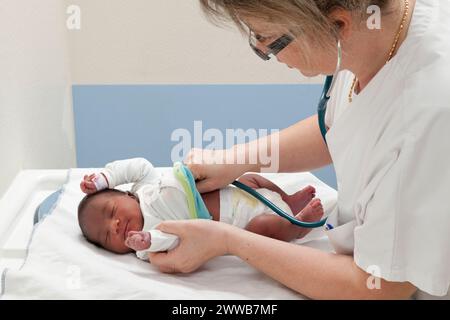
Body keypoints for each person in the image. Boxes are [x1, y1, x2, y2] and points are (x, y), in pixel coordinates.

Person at [148, 0, 450, 299]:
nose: (265, 52)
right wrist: (235, 161)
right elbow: (341, 126)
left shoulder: (424, 117)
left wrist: (229, 241)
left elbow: (379, 287)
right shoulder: (375, 31)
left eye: (272, 42)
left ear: (338, 25)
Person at [77, 158, 323, 259]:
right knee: (261, 228)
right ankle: (295, 228)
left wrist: (104, 178)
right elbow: (171, 239)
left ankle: (287, 200)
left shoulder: (145, 186)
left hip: (237, 191)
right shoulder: (146, 239)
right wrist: (148, 241)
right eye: (107, 236)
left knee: (251, 178)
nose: (115, 225)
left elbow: (139, 166)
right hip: (239, 222)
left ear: (128, 194)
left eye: (111, 212)